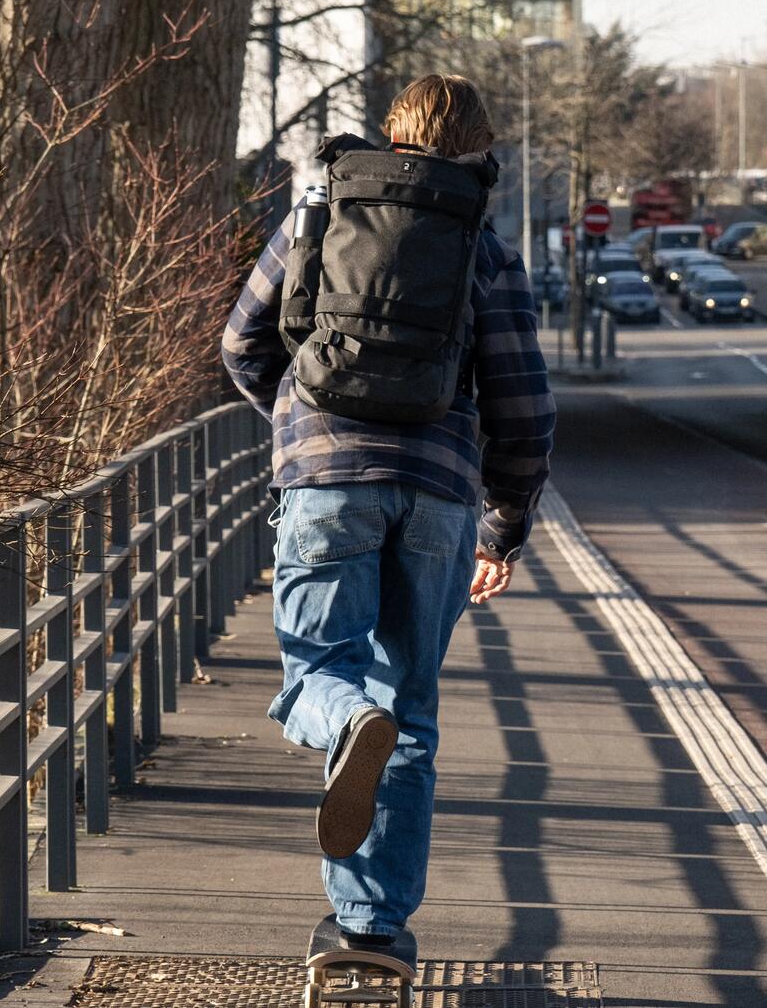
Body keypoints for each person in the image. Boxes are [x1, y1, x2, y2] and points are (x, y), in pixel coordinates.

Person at [221, 74, 554, 949]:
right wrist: (503, 528)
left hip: (327, 484)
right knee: (409, 711)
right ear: (481, 150)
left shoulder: (318, 218)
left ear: (391, 133)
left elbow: (242, 342)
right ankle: (373, 931)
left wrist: (302, 433)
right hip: (441, 499)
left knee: (318, 674)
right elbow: (523, 409)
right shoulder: (487, 249)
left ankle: (341, 720)